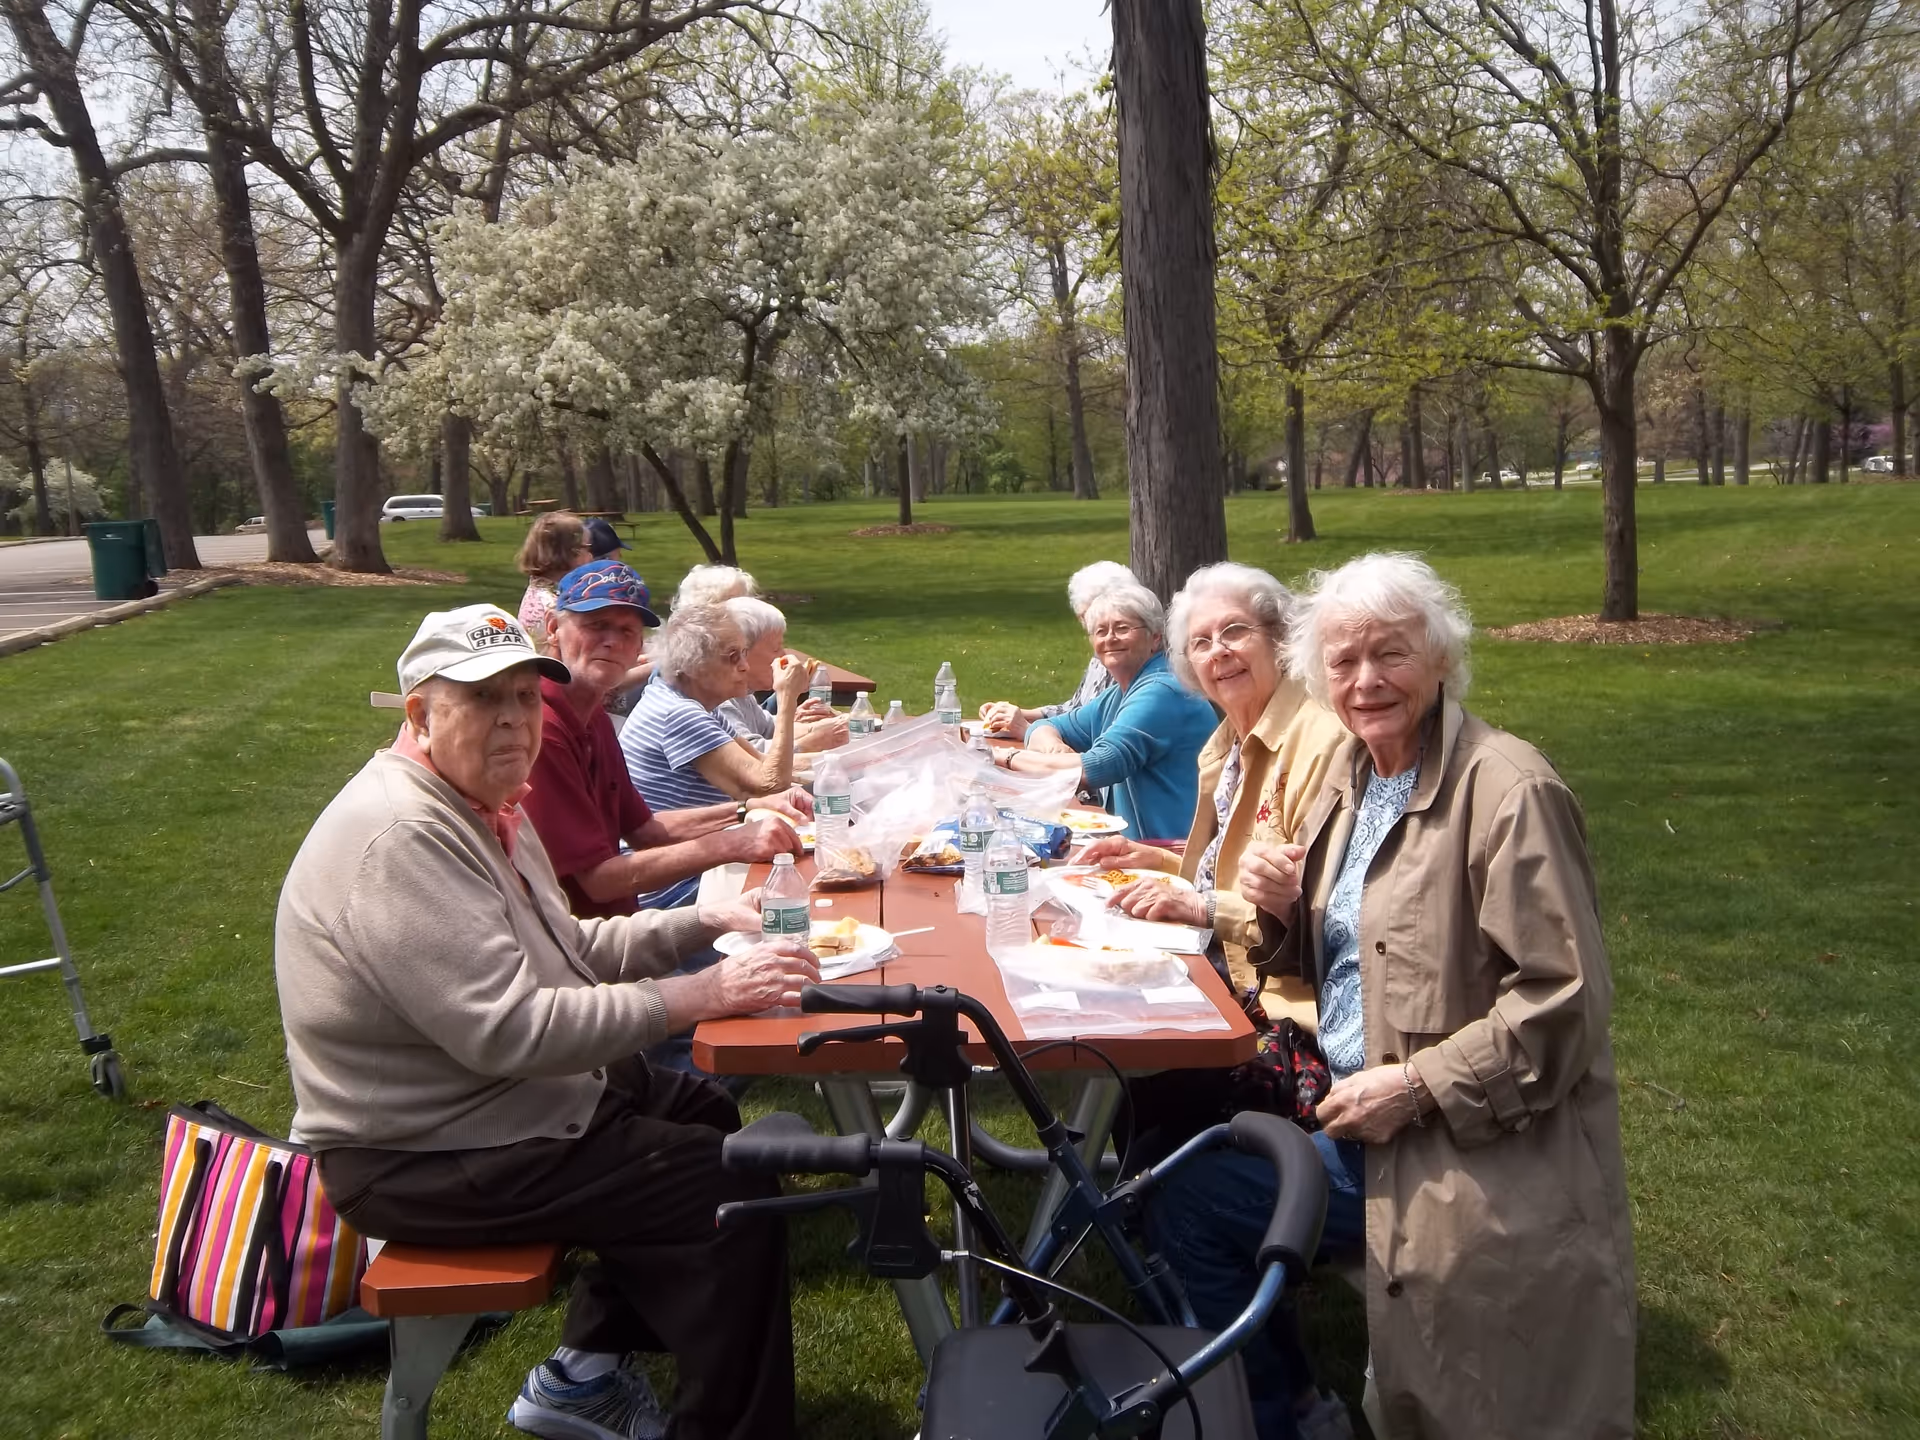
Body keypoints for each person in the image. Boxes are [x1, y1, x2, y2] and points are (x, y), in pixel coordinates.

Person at [276, 602, 817, 1440]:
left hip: (496, 1107)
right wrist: (703, 996)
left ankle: (585, 1374)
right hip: (419, 1151)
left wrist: (707, 925)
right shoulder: (398, 836)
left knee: (703, 1111)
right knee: (724, 1192)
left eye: (526, 700)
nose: (514, 723)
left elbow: (570, 945)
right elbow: (512, 1030)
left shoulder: (486, 801)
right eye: (485, 700)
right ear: (421, 712)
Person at [1180, 553, 1637, 1440]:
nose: (1364, 681)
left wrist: (1417, 1088)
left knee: (1196, 1193)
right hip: (1351, 1103)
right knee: (1179, 1164)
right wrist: (1280, 910)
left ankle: (1288, 1413)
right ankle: (1287, 1413)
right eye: (1343, 663)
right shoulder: (1357, 777)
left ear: (1440, 661)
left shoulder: (1509, 790)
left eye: (1389, 655)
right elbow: (1361, 954)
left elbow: (1564, 1002)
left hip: (1461, 1142)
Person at [1079, 562, 1349, 1001]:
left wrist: (1200, 907)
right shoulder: (1226, 744)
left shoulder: (1322, 742)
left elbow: (1321, 914)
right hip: (1213, 967)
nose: (1218, 651)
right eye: (1200, 643)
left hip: (1271, 1004)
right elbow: (1222, 872)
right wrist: (1153, 859)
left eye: (1235, 632)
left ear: (1280, 638)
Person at [523, 561, 810, 920]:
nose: (613, 641)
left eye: (628, 631)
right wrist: (735, 840)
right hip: (592, 943)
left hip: (626, 918)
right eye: (596, 626)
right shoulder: (539, 728)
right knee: (790, 915)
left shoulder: (591, 714)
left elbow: (645, 829)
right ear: (553, 628)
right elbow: (598, 882)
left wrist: (744, 811)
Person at [989, 581, 1216, 840]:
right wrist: (1054, 748)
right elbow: (1045, 726)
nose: (1110, 638)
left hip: (1175, 857)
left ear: (1155, 638)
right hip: (1138, 850)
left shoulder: (1163, 690)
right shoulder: (1120, 693)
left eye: (1122, 628)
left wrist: (1004, 757)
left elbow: (1097, 767)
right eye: (1100, 631)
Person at [620, 604, 814, 877]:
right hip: (672, 879)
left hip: (696, 856)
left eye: (744, 653)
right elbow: (767, 784)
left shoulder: (695, 704)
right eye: (732, 657)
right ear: (693, 665)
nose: (744, 666)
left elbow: (759, 765)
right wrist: (786, 699)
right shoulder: (679, 713)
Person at [977, 560, 1136, 738]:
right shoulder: (1101, 656)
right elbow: (1075, 710)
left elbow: (1097, 741)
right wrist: (1020, 714)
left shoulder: (1127, 665)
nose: (1090, 628)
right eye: (1086, 619)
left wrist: (1025, 729)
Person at [726, 597, 847, 752]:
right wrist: (788, 696)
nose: (783, 656)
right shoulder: (719, 701)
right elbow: (752, 755)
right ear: (741, 653)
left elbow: (771, 727)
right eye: (776, 649)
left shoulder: (743, 695)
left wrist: (839, 723)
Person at [515, 512, 591, 650]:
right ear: (570, 552)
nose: (591, 556)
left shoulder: (538, 589)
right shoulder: (556, 605)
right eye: (587, 547)